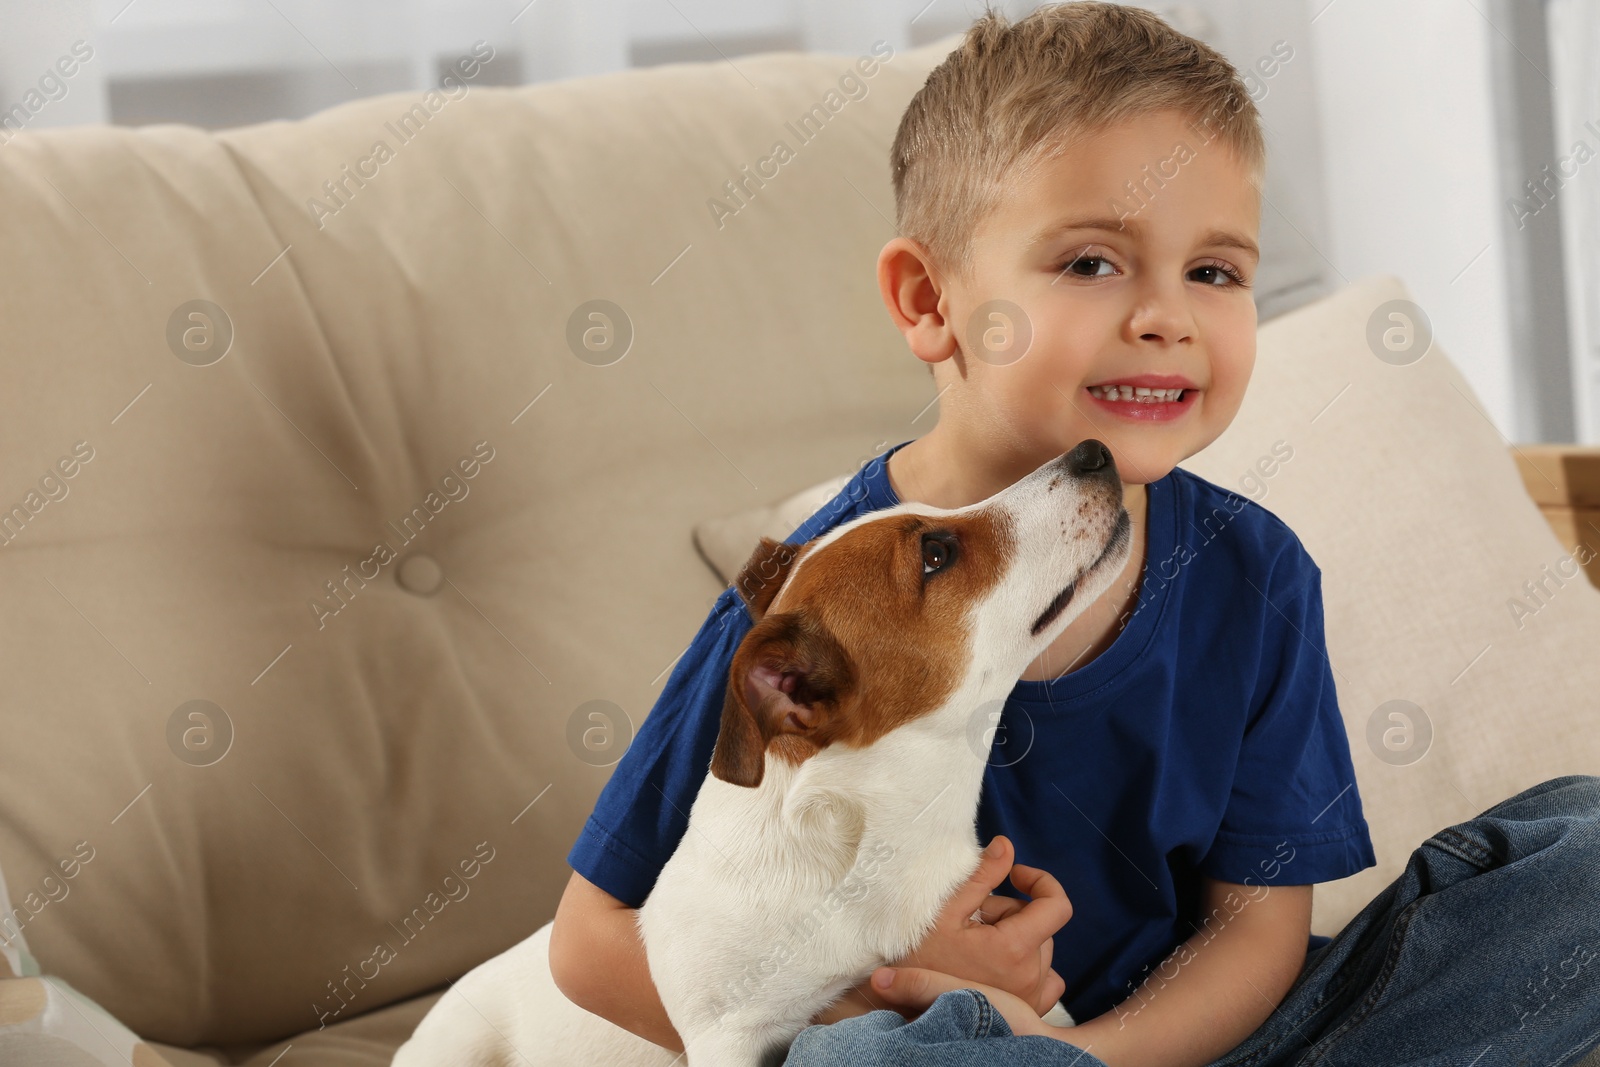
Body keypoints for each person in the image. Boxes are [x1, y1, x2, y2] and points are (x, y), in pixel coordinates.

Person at [548, 4, 1600, 1065]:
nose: (1165, 316)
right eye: (1093, 262)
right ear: (928, 299)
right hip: (941, 1049)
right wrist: (878, 997)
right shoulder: (807, 605)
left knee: (1585, 857)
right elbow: (590, 944)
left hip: (1195, 1043)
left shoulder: (1257, 573)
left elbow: (1257, 932)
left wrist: (1086, 1056)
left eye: (1215, 271)